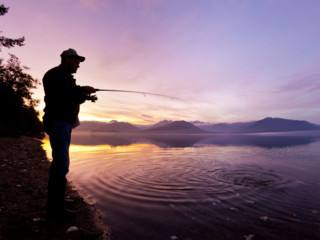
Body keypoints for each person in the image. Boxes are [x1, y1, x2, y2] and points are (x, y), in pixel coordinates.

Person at [42, 48, 97, 220]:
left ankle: (56, 206)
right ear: (66, 59)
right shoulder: (55, 75)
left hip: (62, 124)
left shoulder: (64, 78)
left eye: (79, 62)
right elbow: (65, 95)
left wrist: (86, 96)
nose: (78, 65)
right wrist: (84, 91)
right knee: (61, 165)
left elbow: (71, 94)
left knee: (60, 163)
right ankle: (55, 212)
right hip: (58, 123)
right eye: (76, 61)